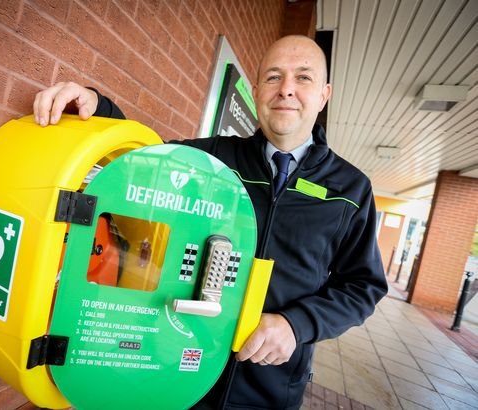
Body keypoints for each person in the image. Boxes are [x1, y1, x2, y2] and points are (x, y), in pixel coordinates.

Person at [33, 35, 387, 410]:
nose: (286, 90)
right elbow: (143, 162)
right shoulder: (213, 161)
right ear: (255, 91)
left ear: (323, 94)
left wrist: (296, 325)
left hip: (268, 390)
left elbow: (363, 286)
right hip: (177, 373)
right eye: (273, 77)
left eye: (303, 78)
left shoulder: (350, 189)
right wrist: (96, 105)